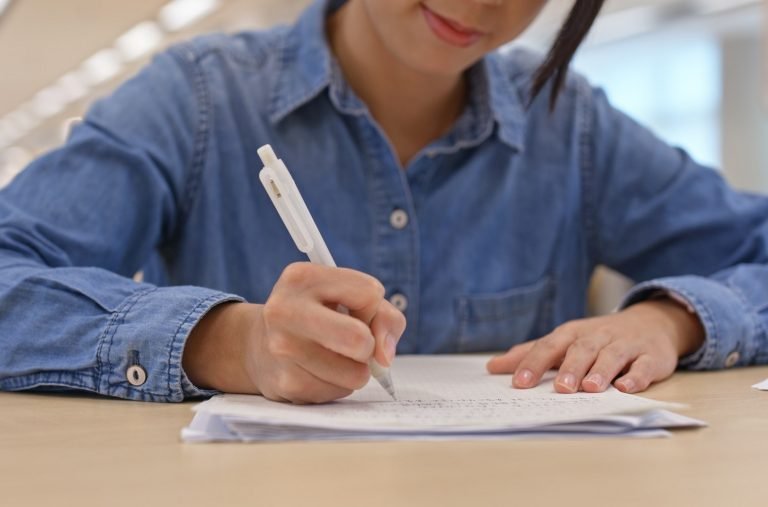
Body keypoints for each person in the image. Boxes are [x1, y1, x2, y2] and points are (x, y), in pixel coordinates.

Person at [1, 0, 766, 404]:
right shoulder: (197, 101)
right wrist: (231, 345)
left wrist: (672, 318)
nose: (485, 0)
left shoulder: (573, 127)